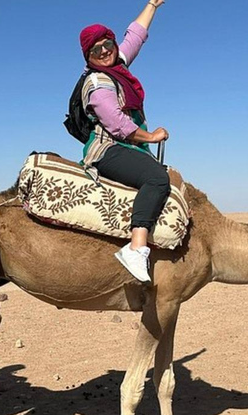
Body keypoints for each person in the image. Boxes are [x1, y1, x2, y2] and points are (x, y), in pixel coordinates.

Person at [78, 0, 169, 282]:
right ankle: (136, 247)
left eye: (108, 44)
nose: (105, 51)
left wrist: (152, 5)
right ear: (88, 56)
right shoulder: (98, 83)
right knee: (156, 178)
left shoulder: (118, 66)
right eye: (97, 49)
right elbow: (117, 124)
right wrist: (151, 137)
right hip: (108, 149)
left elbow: (136, 35)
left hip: (127, 147)